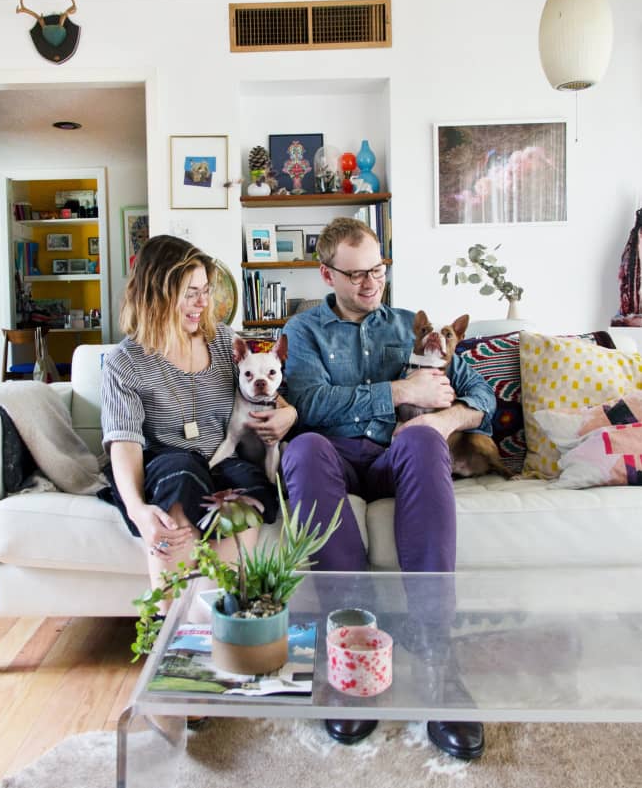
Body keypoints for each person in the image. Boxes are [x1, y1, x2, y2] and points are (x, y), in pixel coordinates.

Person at [281, 217, 495, 760]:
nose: (370, 283)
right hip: (333, 454)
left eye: (377, 269)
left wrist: (444, 422)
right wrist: (399, 389)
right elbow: (309, 405)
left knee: (425, 443)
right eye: (355, 274)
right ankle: (352, 643)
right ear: (326, 273)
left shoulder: (409, 326)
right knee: (301, 449)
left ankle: (439, 656)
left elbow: (481, 394)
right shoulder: (303, 332)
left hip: (399, 453)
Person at [100, 234, 297, 598]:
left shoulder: (223, 343)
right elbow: (123, 443)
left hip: (223, 462)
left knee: (246, 489)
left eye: (206, 290)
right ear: (157, 293)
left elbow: (264, 387)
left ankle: (225, 620)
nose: (203, 303)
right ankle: (167, 624)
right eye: (191, 292)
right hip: (165, 464)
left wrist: (290, 413)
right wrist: (137, 509)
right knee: (181, 475)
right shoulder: (123, 362)